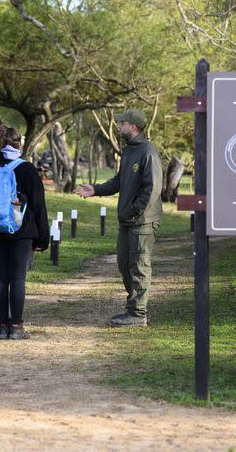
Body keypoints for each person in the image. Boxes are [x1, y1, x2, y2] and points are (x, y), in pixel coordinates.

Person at [75, 108, 162, 327]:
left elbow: (152, 190)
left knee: (139, 265)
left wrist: (134, 209)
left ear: (133, 126)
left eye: (122, 123)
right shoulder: (128, 151)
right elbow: (118, 181)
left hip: (142, 221)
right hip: (127, 220)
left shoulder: (148, 152)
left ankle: (138, 313)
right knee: (124, 265)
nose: (119, 126)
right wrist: (95, 189)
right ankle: (133, 308)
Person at [0, 125, 49, 340]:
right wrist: (42, 238)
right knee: (17, 279)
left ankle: (2, 327)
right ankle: (16, 327)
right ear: (17, 143)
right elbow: (38, 206)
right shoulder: (26, 169)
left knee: (0, 278)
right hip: (21, 232)